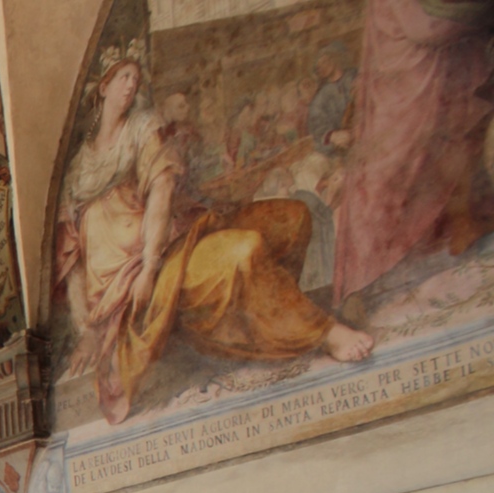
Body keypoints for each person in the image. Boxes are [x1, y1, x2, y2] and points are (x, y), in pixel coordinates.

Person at [56, 44, 371, 426]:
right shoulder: (76, 169)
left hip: (168, 249)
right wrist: (87, 329)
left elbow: (162, 191)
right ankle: (322, 332)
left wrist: (151, 262)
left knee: (293, 216)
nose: (129, 86)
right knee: (245, 249)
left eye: (135, 79)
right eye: (123, 77)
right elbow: (70, 259)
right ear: (103, 86)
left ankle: (267, 312)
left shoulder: (141, 128)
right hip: (134, 286)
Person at [332, 0, 494, 305]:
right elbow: (425, 28)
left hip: (437, 84)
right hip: (406, 94)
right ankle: (364, 283)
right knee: (393, 176)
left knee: (447, 165)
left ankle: (450, 242)